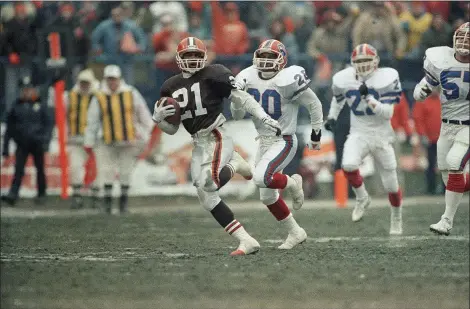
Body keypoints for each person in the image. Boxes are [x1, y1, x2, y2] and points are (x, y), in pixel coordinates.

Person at [151, 37, 281, 256]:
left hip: (217, 133)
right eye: (187, 55)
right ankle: (245, 240)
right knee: (205, 196)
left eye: (196, 55)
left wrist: (263, 116)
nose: (192, 60)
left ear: (204, 57)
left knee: (209, 182)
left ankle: (234, 164)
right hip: (198, 142)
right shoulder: (170, 86)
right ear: (179, 58)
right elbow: (172, 130)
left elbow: (241, 97)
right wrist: (158, 119)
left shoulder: (214, 74)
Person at [232, 39, 323, 249]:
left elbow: (314, 104)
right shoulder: (247, 76)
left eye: (270, 56)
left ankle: (292, 184)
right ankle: (295, 232)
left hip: (284, 139)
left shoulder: (288, 79)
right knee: (267, 197)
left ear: (281, 59)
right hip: (263, 141)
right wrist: (237, 98)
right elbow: (237, 115)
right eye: (262, 56)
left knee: (261, 178)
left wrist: (316, 133)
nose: (265, 60)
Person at [324, 44, 404, 235]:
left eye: (366, 60)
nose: (363, 65)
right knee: (348, 165)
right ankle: (362, 197)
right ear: (353, 63)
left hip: (382, 135)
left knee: (391, 184)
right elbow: (338, 98)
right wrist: (332, 117)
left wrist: (369, 98)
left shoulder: (386, 78)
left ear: (375, 61)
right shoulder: (344, 78)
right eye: (359, 61)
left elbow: (387, 113)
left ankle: (396, 216)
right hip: (359, 132)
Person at [413, 22, 470, 235]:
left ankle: (446, 221)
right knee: (451, 180)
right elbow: (427, 84)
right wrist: (422, 90)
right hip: (446, 127)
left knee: (455, 164)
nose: (464, 43)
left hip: (468, 127)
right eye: (462, 37)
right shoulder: (441, 59)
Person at [84, 65, 154, 214]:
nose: (112, 82)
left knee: (125, 171)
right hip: (106, 140)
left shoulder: (131, 93)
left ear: (119, 79)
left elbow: (143, 114)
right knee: (106, 172)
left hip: (128, 140)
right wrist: (89, 141)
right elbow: (92, 121)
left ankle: (123, 203)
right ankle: (108, 204)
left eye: (114, 79)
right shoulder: (100, 96)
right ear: (105, 80)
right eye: (109, 79)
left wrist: (147, 133)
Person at [48, 69, 100, 209]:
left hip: (95, 140)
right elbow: (56, 102)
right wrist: (54, 86)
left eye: (86, 83)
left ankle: (97, 196)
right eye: (82, 82)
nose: (84, 85)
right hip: (76, 139)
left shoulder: (99, 96)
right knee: (76, 168)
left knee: (98, 169)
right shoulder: (71, 96)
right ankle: (77, 196)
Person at [2, 77, 53, 206]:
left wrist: (45, 140)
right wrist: (6, 148)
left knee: (40, 169)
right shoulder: (16, 106)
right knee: (18, 169)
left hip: (37, 143)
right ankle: (13, 193)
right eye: (24, 90)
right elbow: (9, 128)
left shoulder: (41, 105)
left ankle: (42, 193)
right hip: (22, 143)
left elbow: (48, 124)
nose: (27, 92)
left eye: (29, 90)